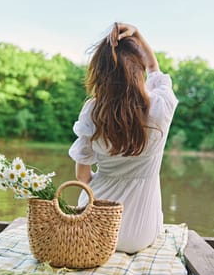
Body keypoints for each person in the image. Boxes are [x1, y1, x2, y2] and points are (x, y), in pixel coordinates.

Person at [69, 22, 178, 253]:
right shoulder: (160, 108)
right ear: (138, 73)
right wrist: (138, 33)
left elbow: (82, 177)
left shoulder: (93, 111)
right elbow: (154, 68)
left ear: (100, 73)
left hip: (94, 227)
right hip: (139, 235)